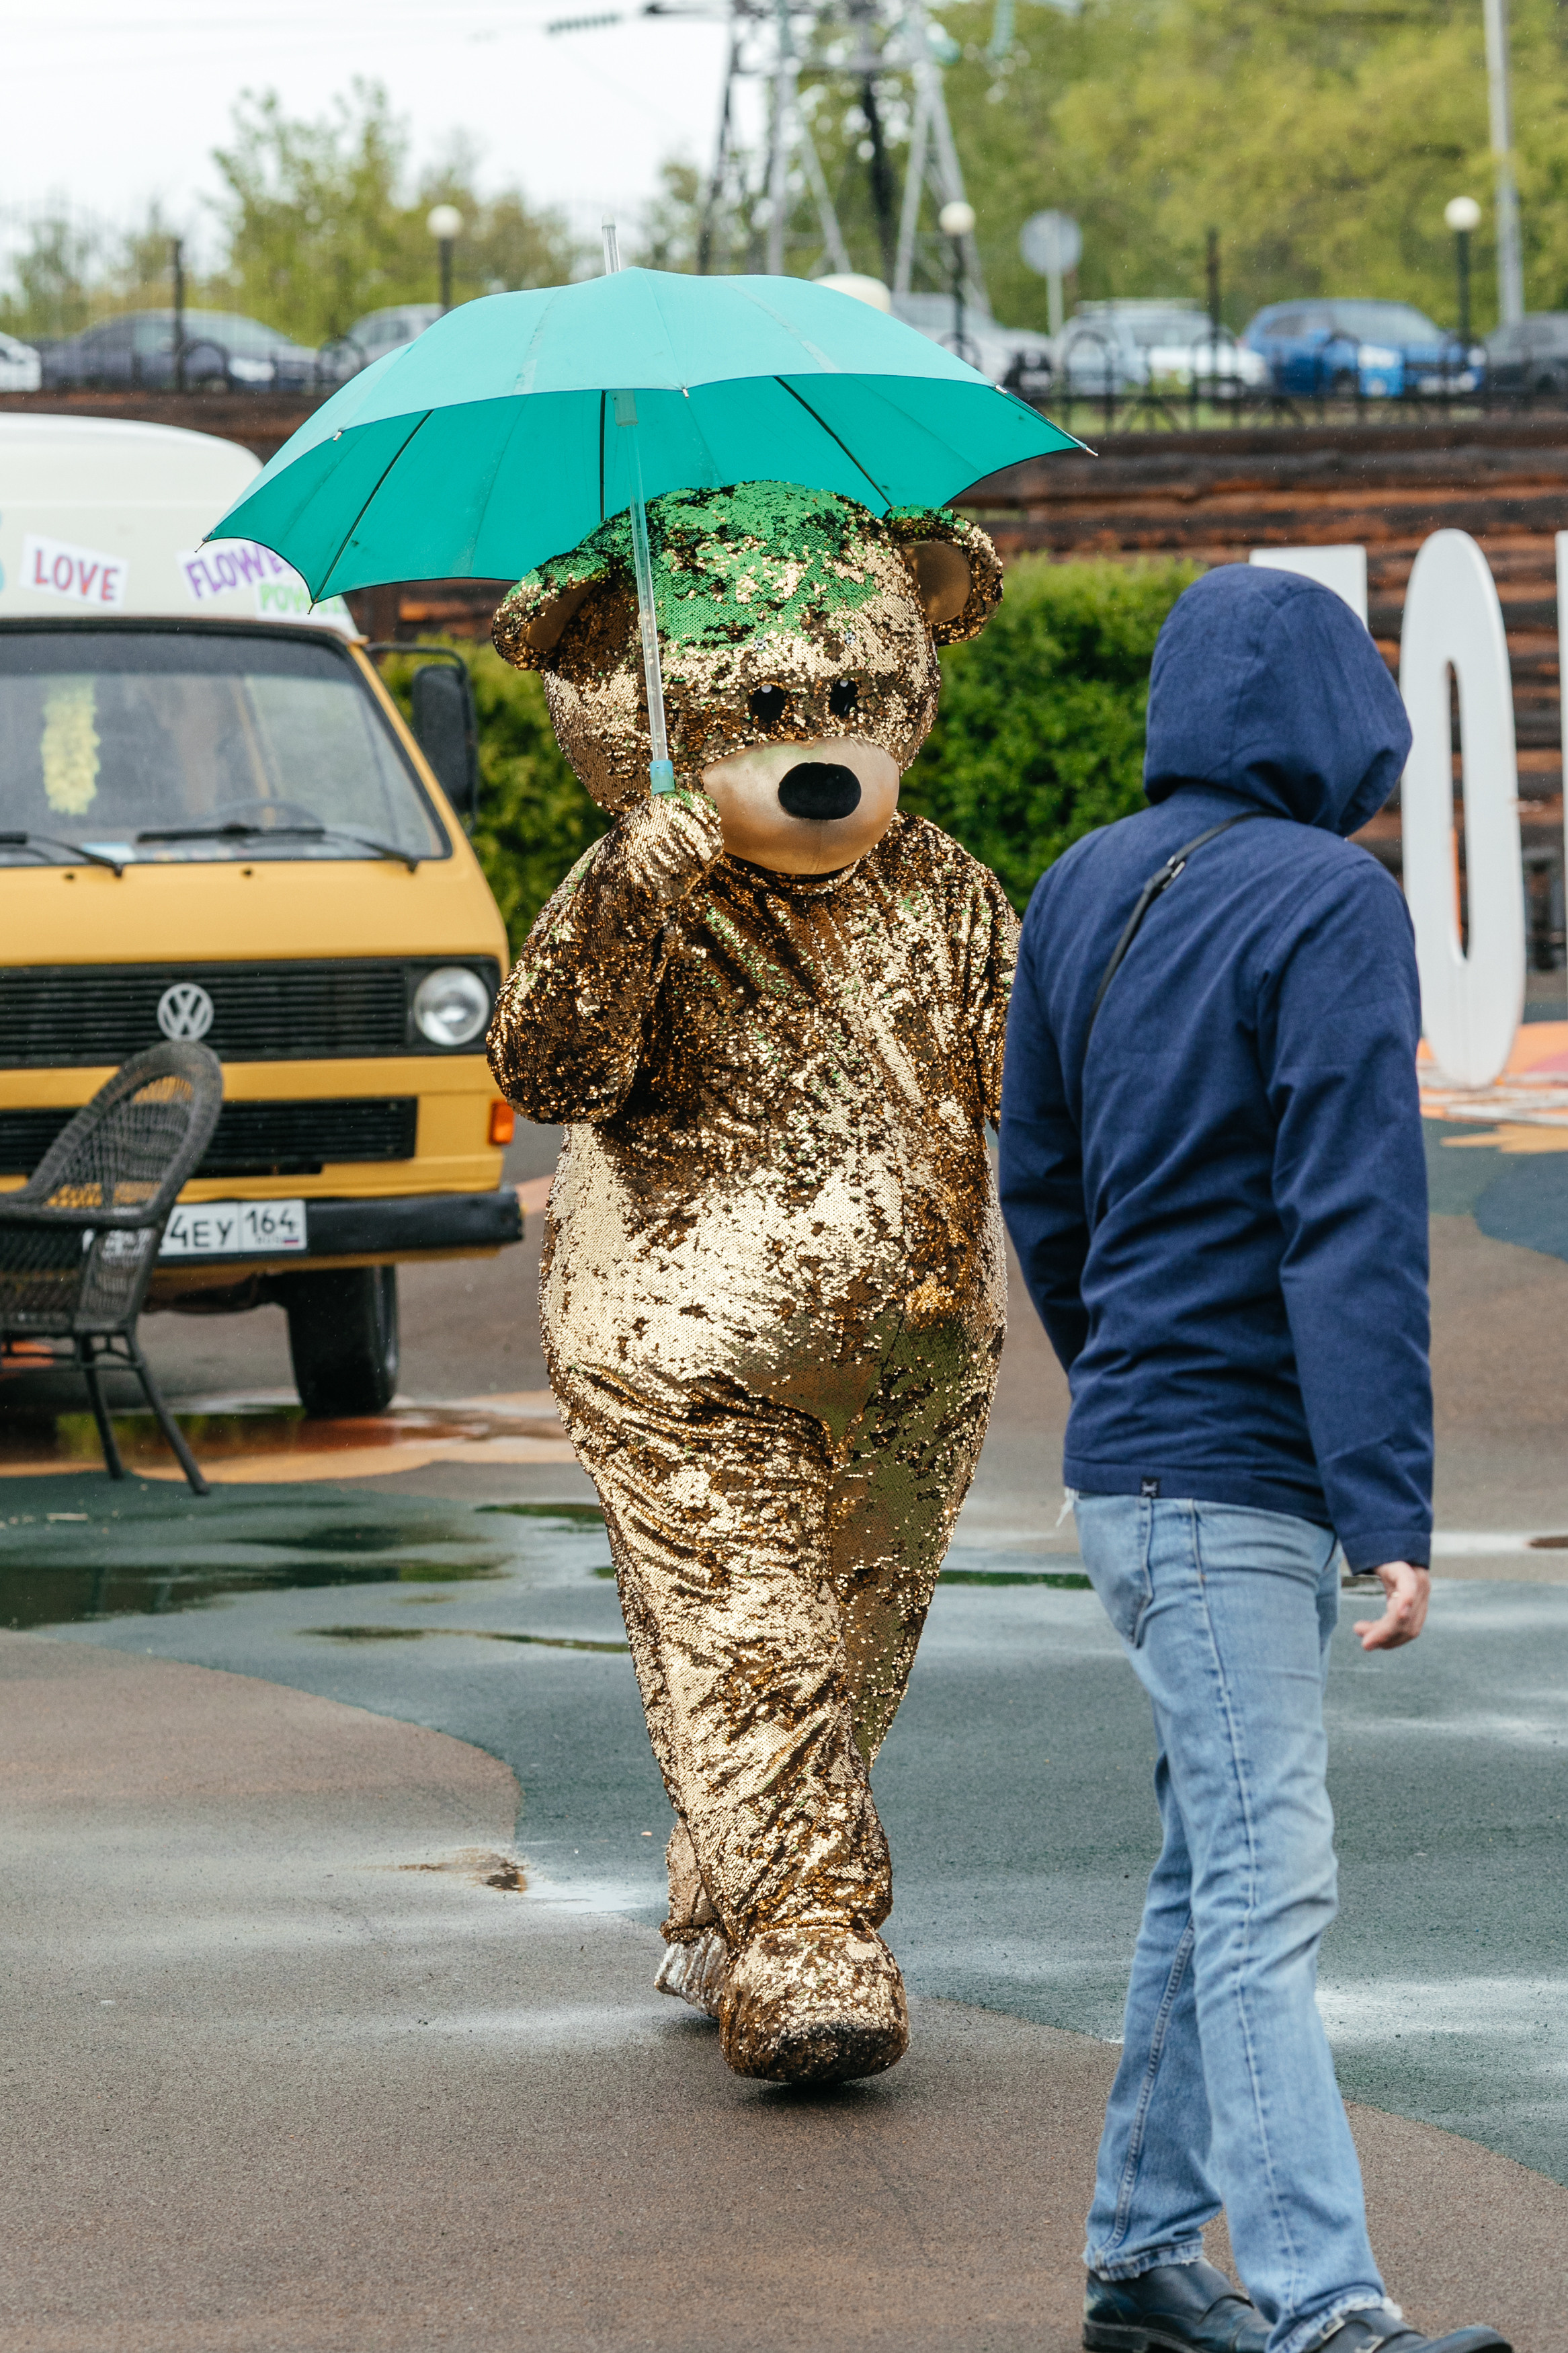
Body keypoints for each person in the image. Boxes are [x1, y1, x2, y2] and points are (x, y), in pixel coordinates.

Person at [999, 566, 1510, 2353]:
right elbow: (1354, 1221)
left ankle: (1144, 2255)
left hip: (1138, 1461)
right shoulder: (1331, 903)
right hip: (1243, 1480)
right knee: (1272, 1887)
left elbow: (1038, 1187)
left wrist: (1124, 1373)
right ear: (1333, 719)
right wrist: (1390, 1504)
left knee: (1205, 1871)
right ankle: (1323, 2304)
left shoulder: (1075, 886)